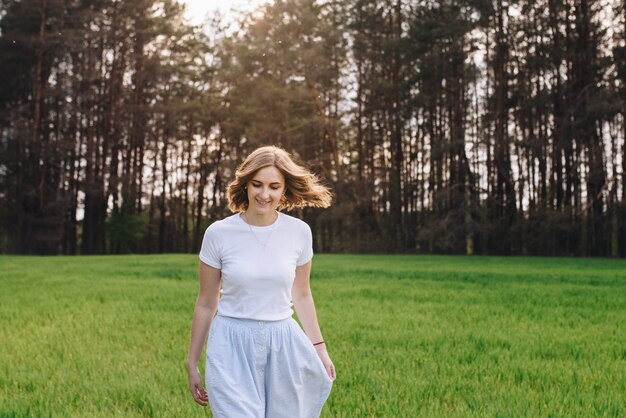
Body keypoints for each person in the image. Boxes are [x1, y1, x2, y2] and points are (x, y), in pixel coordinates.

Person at [186, 145, 336, 417]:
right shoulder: (218, 234)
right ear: (245, 184)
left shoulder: (299, 232)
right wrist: (192, 363)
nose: (264, 194)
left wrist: (320, 350)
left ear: (284, 190)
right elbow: (207, 303)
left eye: (274, 187)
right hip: (230, 343)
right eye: (257, 185)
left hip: (282, 342)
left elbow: (301, 295)